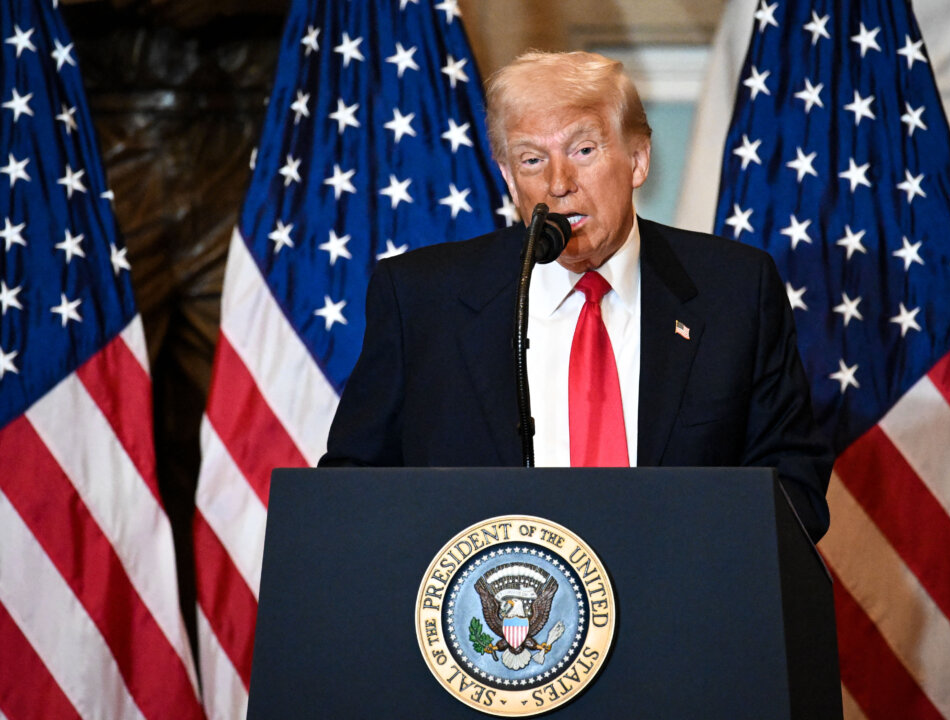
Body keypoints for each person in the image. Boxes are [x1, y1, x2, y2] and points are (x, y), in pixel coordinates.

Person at [319, 51, 833, 542]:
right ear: (508, 178)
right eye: (531, 159)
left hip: (680, 615)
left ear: (637, 160)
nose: (558, 184)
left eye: (583, 151)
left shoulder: (735, 291)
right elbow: (352, 487)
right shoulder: (421, 300)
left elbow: (793, 486)